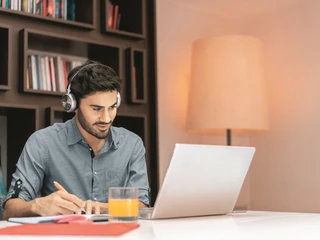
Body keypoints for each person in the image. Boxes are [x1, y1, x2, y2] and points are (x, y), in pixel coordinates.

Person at [2, 60, 149, 220]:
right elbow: (9, 210)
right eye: (96, 109)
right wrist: (38, 205)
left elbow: (141, 206)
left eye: (112, 107)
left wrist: (101, 208)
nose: (106, 118)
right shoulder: (43, 142)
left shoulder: (132, 144)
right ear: (72, 105)